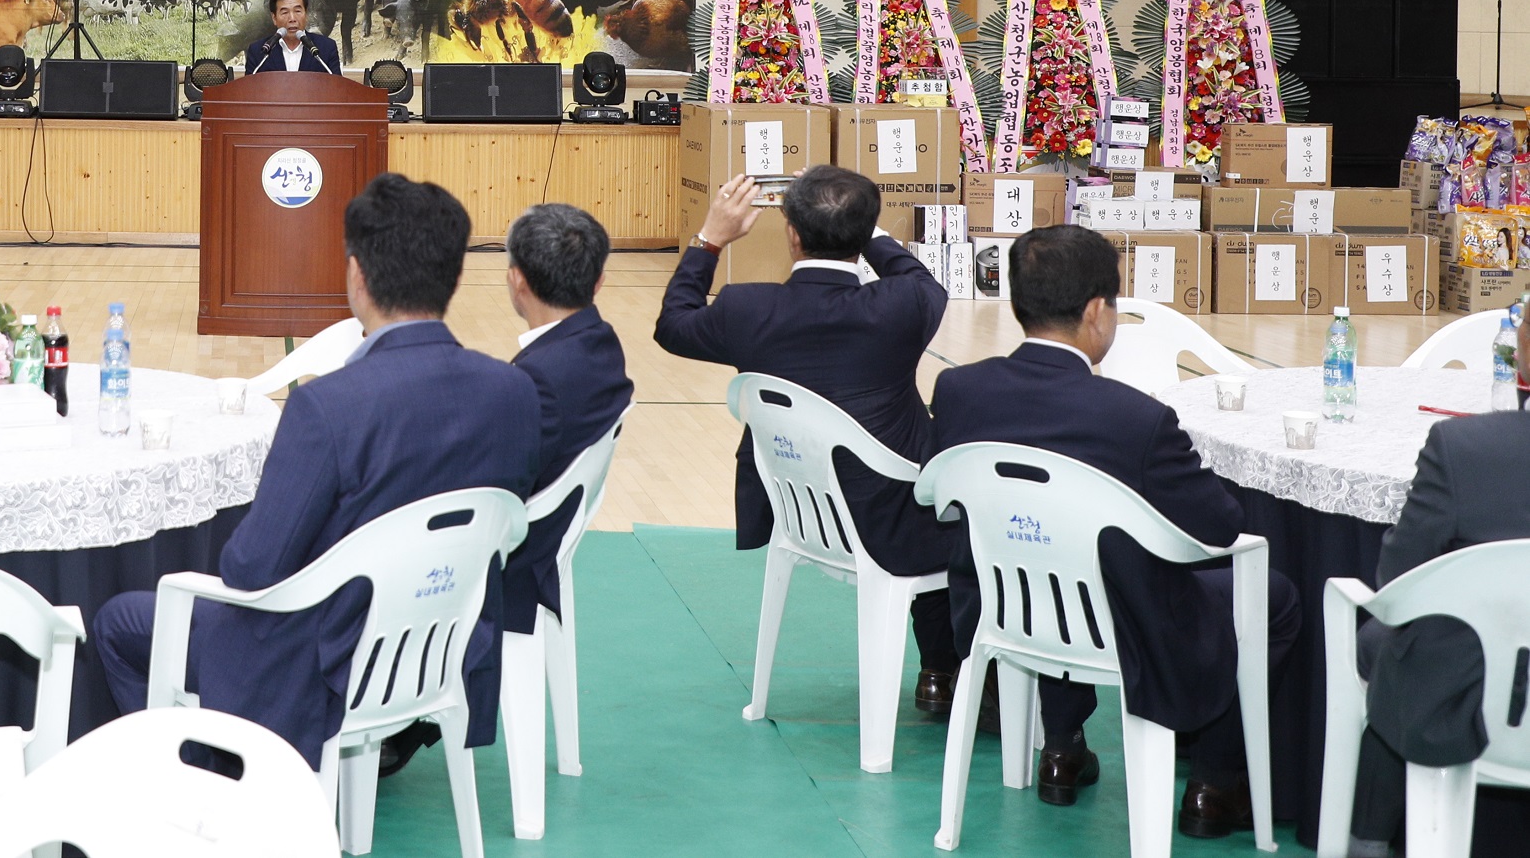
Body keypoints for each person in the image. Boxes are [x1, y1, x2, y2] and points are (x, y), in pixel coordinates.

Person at [92, 173, 541, 768]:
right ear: (454, 276)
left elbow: (251, 569)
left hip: (324, 661)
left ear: (356, 273)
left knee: (120, 620)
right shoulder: (513, 392)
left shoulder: (328, 406)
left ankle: (200, 775)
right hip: (442, 644)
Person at [929, 224, 1298, 839]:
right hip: (1122, 627)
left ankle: (1062, 747)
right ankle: (1212, 783)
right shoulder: (1137, 418)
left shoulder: (960, 390)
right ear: (1098, 311)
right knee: (1274, 597)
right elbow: (1220, 525)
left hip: (1000, 610)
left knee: (1041, 546)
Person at [654, 167, 961, 710]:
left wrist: (711, 239)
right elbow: (920, 280)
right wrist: (854, 220)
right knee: (957, 506)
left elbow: (673, 325)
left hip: (798, 511)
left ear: (791, 233)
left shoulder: (746, 308)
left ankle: (942, 674)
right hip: (897, 521)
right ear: (865, 235)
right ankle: (941, 674)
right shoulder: (904, 305)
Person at [1346, 400, 1530, 857]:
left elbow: (1397, 583)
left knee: (1388, 646)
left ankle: (1368, 838)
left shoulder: (1463, 448)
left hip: (1466, 701)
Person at [502, 203, 635, 641]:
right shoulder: (600, 342)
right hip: (548, 536)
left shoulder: (537, 380)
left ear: (516, 278)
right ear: (598, 281)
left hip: (512, 566)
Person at [242, 0, 343, 76]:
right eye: (285, 12)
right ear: (274, 18)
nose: (292, 19)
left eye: (297, 11)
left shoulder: (326, 48)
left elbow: (337, 88)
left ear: (306, 14)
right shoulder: (259, 51)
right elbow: (249, 91)